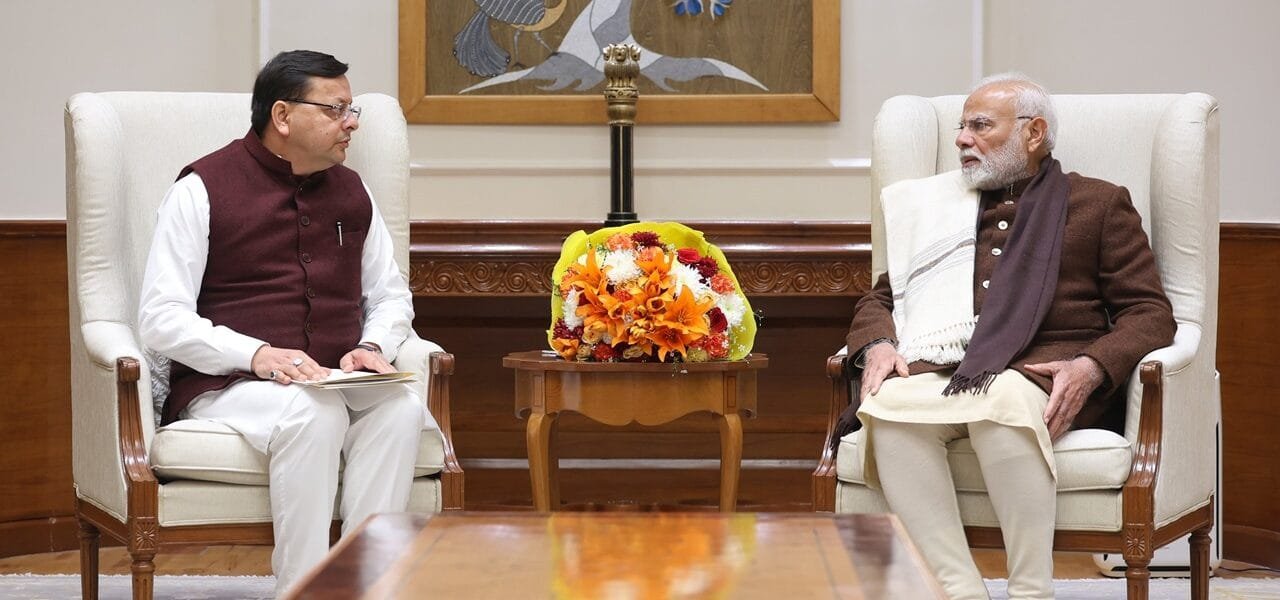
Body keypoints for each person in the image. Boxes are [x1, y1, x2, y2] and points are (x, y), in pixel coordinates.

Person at [840, 73, 1176, 599]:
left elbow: (1150, 313)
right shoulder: (941, 211)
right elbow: (885, 296)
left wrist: (1090, 367)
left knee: (999, 408)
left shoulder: (1099, 204)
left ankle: (1029, 591)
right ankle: (958, 590)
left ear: (1033, 133)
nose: (961, 139)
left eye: (979, 126)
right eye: (961, 126)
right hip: (948, 368)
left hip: (1043, 373)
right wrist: (878, 343)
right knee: (890, 412)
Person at [138, 50, 436, 595]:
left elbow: (391, 294)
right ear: (282, 116)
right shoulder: (201, 188)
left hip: (331, 379)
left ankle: (367, 585)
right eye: (336, 109)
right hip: (230, 385)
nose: (351, 123)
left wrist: (373, 344)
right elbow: (161, 318)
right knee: (313, 412)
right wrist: (256, 355)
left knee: (399, 407)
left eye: (353, 110)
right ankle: (303, 589)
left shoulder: (353, 191)